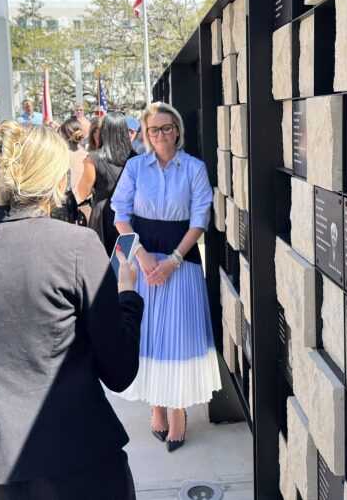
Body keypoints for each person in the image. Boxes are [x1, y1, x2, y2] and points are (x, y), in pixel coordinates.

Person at [0, 121, 143, 499]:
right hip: (79, 454)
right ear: (56, 179)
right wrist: (128, 296)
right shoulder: (77, 246)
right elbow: (120, 370)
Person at [112, 102, 219, 451]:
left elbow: (199, 220)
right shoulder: (134, 167)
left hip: (180, 261)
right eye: (153, 129)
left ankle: (178, 410)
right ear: (145, 133)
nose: (160, 135)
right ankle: (156, 404)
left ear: (177, 129)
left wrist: (173, 261)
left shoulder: (194, 168)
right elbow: (120, 217)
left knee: (179, 336)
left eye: (166, 127)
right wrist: (140, 257)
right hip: (143, 261)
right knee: (148, 336)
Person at [77, 112, 135, 255]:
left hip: (103, 215)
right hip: (131, 215)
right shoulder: (137, 158)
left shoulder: (94, 158)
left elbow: (82, 193)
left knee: (102, 264)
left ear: (104, 132)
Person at [58, 116, 91, 222]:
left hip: (66, 210)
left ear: (62, 135)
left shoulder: (60, 155)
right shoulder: (88, 155)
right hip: (86, 209)